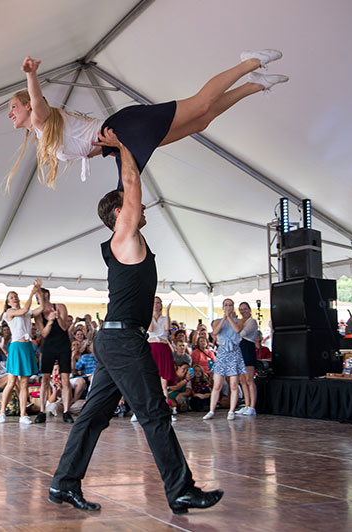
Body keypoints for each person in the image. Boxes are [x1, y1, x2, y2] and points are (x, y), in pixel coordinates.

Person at [48, 131, 222, 514]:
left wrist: (117, 154)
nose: (144, 209)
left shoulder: (124, 241)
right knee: (154, 413)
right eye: (134, 207)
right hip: (123, 340)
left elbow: (125, 185)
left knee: (93, 416)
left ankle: (63, 484)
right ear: (119, 215)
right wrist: (125, 145)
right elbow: (130, 184)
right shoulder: (123, 236)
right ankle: (181, 489)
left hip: (115, 340)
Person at [7, 51, 287, 190]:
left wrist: (31, 75)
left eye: (14, 107)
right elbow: (89, 146)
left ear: (29, 107)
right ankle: (255, 85)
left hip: (126, 128)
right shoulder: (46, 133)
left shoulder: (42, 120)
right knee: (201, 122)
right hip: (120, 141)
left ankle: (249, 62)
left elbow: (37, 100)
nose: (10, 113)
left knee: (201, 104)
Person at [0, 285, 40, 424]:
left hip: (27, 346)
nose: (14, 298)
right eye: (11, 297)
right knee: (11, 382)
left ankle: (23, 414)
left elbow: (37, 310)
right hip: (16, 346)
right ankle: (2, 412)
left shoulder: (26, 313)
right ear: (8, 302)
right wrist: (32, 292)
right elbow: (25, 309)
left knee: (24, 383)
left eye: (16, 296)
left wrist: (39, 293)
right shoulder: (9, 312)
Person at [34, 286, 74, 423]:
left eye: (39, 296)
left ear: (46, 295)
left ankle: (66, 411)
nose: (38, 299)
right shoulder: (38, 314)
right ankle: (41, 411)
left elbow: (64, 327)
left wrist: (57, 317)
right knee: (45, 379)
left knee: (65, 379)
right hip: (48, 347)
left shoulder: (60, 306)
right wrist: (50, 321)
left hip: (63, 345)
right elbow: (44, 333)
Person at [204, 299, 246, 421]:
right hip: (222, 352)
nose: (228, 307)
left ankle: (231, 410)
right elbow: (215, 332)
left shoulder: (239, 321)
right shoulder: (217, 321)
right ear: (223, 307)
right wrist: (224, 318)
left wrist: (230, 318)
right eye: (226, 305)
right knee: (217, 384)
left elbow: (237, 330)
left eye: (230, 305)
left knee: (233, 384)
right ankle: (211, 410)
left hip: (234, 352)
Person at [236, 302, 258, 416]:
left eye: (245, 309)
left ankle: (252, 406)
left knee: (249, 379)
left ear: (249, 310)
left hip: (247, 349)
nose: (243, 311)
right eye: (241, 309)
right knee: (242, 380)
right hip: (240, 350)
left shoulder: (252, 322)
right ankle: (247, 404)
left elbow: (242, 333)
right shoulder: (240, 322)